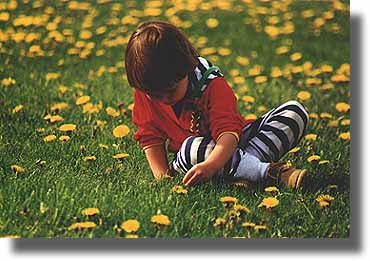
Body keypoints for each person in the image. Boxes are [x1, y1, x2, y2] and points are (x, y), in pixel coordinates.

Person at [125, 20, 309, 188]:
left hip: (229, 143)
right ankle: (267, 173)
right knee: (192, 148)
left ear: (186, 70)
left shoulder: (211, 84)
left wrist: (213, 166)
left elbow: (228, 133)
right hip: (194, 156)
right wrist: (163, 178)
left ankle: (243, 169)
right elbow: (150, 137)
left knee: (294, 112)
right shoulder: (147, 86)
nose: (163, 99)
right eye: (155, 95)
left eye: (170, 91)